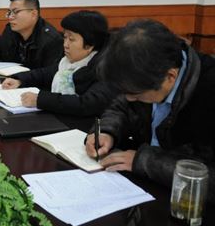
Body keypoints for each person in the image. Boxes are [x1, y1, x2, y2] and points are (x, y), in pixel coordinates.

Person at [85, 19, 215, 203]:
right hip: (142, 187)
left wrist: (144, 162)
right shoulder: (143, 75)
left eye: (135, 94)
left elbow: (209, 176)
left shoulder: (208, 92)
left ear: (170, 76)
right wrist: (106, 131)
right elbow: (121, 107)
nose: (129, 98)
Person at [2, 10, 116, 116]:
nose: (65, 44)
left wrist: (41, 100)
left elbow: (87, 104)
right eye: (65, 37)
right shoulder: (68, 62)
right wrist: (20, 80)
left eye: (71, 39)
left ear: (90, 45)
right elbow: (45, 73)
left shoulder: (106, 69)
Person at [0, 0, 62, 69]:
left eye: (16, 12)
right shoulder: (10, 30)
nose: (10, 17)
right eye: (9, 12)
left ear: (33, 14)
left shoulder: (51, 39)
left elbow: (48, 72)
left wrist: (19, 77)